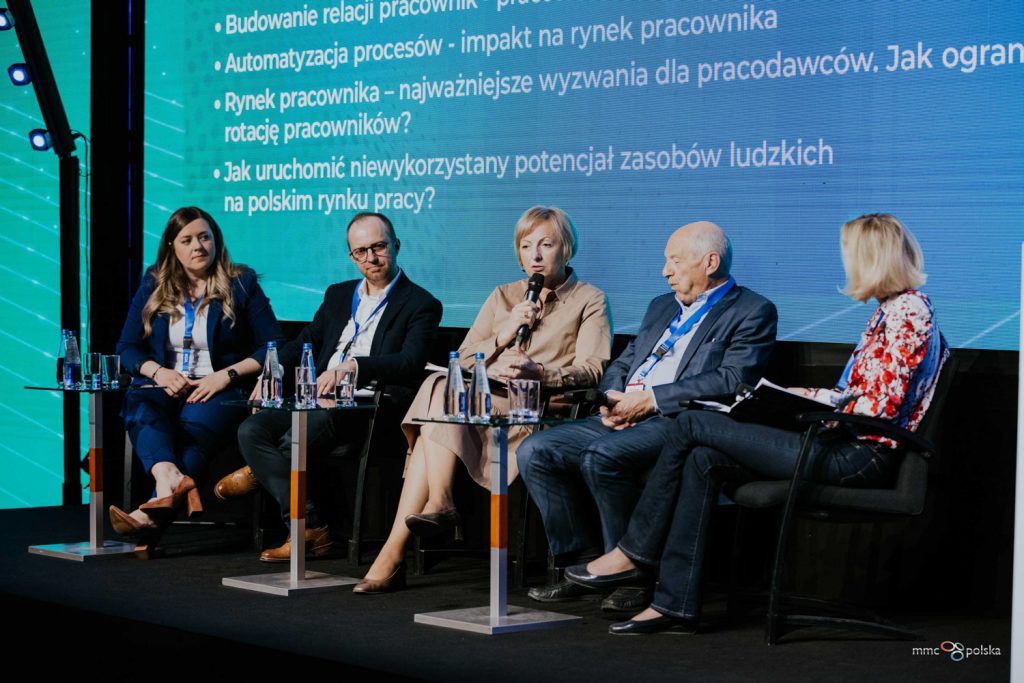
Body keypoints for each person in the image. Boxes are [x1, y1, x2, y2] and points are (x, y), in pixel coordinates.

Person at [566, 213, 950, 635]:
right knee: (703, 458)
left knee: (692, 423)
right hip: (838, 442)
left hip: (858, 457)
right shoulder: (889, 310)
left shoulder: (908, 312)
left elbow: (875, 411)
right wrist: (791, 396)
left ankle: (634, 552)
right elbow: (855, 395)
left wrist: (808, 400)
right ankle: (674, 603)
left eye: (850, 256)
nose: (847, 266)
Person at [518, 220, 778, 611]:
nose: (665, 271)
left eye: (675, 261)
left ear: (710, 262)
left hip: (677, 421)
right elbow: (626, 362)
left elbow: (731, 379)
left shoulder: (751, 310)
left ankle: (631, 572)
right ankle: (581, 564)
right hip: (625, 413)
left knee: (603, 456)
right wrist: (611, 398)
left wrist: (652, 401)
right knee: (536, 451)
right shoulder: (661, 306)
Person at [354, 206, 612, 593]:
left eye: (546, 245)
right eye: (526, 246)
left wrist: (540, 372)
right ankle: (437, 504)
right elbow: (463, 357)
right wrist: (504, 335)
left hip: (533, 410)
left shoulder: (590, 300)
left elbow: (592, 369)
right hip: (483, 404)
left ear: (566, 249)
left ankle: (400, 546)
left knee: (431, 426)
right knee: (440, 385)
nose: (535, 255)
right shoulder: (504, 295)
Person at [215, 212, 443, 562]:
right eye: (361, 251)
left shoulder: (421, 303)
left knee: (297, 437)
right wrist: (271, 371)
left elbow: (410, 362)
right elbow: (303, 342)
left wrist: (354, 367)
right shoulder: (338, 295)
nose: (371, 258)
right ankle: (311, 528)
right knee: (251, 429)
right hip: (316, 397)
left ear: (396, 245)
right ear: (351, 256)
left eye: (379, 247)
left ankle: (268, 484)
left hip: (369, 406)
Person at [109, 206, 284, 540]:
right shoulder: (154, 282)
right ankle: (169, 480)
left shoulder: (240, 282)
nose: (198, 246)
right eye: (187, 240)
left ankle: (151, 513)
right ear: (172, 247)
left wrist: (226, 375)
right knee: (139, 405)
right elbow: (126, 347)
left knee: (193, 429)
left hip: (217, 387)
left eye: (204, 237)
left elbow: (274, 344)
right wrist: (158, 372)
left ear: (216, 240)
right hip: (165, 383)